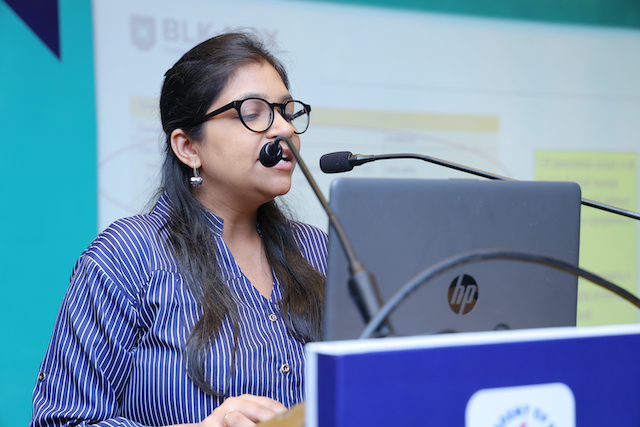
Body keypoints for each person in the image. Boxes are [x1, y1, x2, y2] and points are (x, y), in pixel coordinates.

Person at [29, 32, 327, 427]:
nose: (284, 129)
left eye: (287, 112)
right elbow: (60, 420)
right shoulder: (127, 255)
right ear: (188, 147)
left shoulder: (320, 250)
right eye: (253, 112)